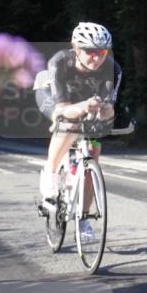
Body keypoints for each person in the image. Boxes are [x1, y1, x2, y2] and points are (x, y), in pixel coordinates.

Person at [35, 22, 122, 240]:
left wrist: (105, 112)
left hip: (85, 98)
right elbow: (63, 109)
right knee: (68, 123)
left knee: (93, 151)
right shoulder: (59, 62)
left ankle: (83, 218)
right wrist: (82, 107)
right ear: (76, 48)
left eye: (102, 52)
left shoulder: (112, 68)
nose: (97, 57)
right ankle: (50, 174)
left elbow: (110, 108)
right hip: (51, 95)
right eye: (90, 51)